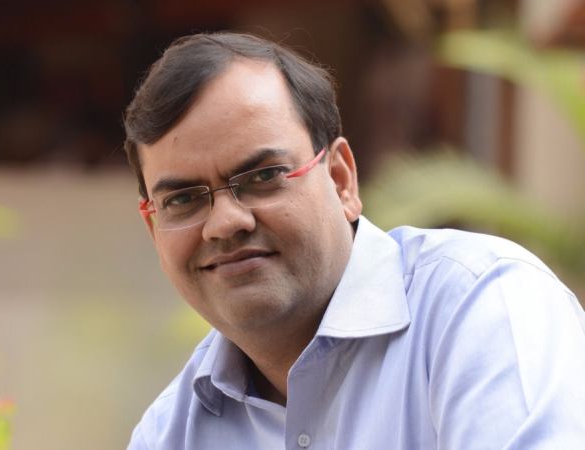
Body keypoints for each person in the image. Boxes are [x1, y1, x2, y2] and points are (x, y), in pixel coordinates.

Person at [122, 31, 585, 450]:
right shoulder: (169, 434)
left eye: (262, 176)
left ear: (341, 179)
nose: (225, 223)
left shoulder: (481, 309)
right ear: (154, 230)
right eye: (182, 200)